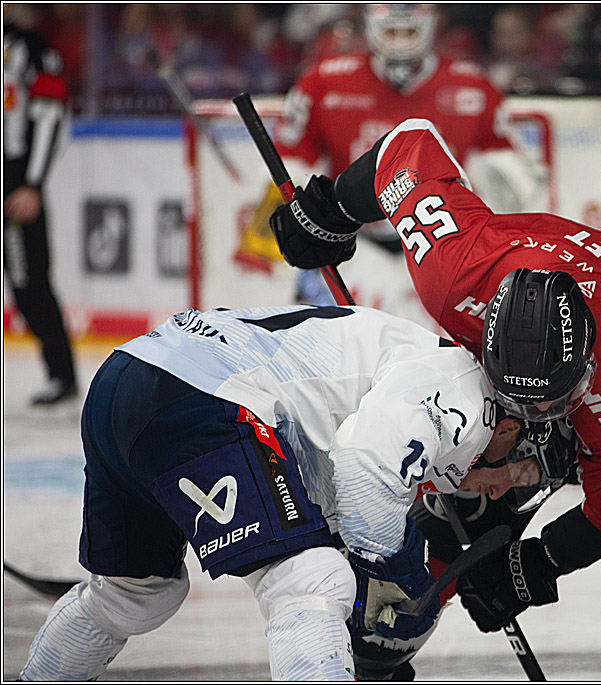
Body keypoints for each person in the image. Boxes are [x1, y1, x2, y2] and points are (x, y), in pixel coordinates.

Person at [266, 117, 601, 677]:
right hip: (518, 362)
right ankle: (374, 653)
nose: (531, 417)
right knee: (444, 516)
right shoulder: (457, 273)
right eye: (513, 401)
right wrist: (332, 210)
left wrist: (534, 564)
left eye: (547, 405)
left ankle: (377, 646)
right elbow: (405, 147)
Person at [18, 302, 557, 681]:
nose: (500, 487)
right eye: (518, 474)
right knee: (309, 583)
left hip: (125, 380)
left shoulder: (411, 361)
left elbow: (342, 476)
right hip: (196, 398)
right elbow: (365, 468)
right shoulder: (467, 393)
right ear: (509, 428)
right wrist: (398, 573)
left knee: (132, 592)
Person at [268, 2, 542, 314]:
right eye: (392, 29)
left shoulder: (475, 86)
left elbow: (512, 182)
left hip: (443, 253)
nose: (400, 38)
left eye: (408, 29)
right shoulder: (321, 83)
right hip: (355, 251)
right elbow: (291, 169)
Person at [3, 3, 78, 407]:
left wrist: (32, 183)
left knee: (29, 283)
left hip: (14, 181)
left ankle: (62, 375)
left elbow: (50, 115)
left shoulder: (32, 49)